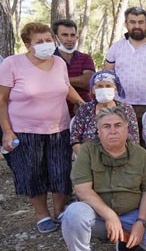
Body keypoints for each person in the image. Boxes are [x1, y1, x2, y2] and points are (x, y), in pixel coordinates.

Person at [61, 107, 146, 251]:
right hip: (97, 214)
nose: (113, 131)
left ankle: (124, 237)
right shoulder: (87, 151)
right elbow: (82, 189)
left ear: (126, 128)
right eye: (106, 126)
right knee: (74, 213)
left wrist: (141, 222)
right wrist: (109, 216)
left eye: (118, 125)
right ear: (98, 131)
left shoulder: (140, 154)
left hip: (132, 213)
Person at [0, 22, 84, 234]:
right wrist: (7, 131)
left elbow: (66, 87)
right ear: (28, 44)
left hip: (59, 128)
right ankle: (42, 215)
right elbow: (2, 99)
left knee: (60, 171)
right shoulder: (12, 63)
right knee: (33, 173)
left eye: (49, 40)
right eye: (40, 42)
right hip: (25, 130)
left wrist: (83, 104)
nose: (46, 45)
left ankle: (60, 211)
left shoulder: (58, 63)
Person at [104, 6, 146, 141]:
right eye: (132, 22)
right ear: (126, 24)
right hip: (121, 105)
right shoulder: (116, 47)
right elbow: (107, 76)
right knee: (124, 143)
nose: (137, 26)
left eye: (141, 22)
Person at [70, 70, 139, 155]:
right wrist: (85, 158)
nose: (104, 89)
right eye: (99, 86)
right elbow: (75, 138)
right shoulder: (85, 109)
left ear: (115, 88)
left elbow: (134, 140)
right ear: (93, 89)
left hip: (121, 159)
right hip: (89, 158)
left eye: (108, 86)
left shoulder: (126, 109)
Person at [52, 19, 96, 116]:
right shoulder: (50, 59)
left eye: (72, 35)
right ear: (55, 38)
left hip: (85, 113)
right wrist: (78, 80)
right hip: (57, 113)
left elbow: (88, 81)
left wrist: (59, 80)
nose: (69, 39)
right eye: (64, 35)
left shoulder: (85, 58)